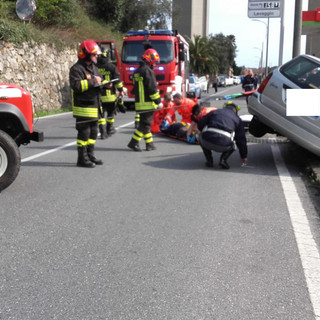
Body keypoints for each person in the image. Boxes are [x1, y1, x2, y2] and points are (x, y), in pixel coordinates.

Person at [69, 39, 103, 168]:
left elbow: (99, 80)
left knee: (94, 133)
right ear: (86, 54)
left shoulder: (94, 68)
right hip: (83, 108)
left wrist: (105, 84)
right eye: (94, 54)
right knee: (84, 134)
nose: (96, 57)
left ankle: (90, 155)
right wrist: (93, 82)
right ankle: (81, 159)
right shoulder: (76, 69)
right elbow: (76, 85)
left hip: (95, 107)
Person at [197, 101, 248, 169]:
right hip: (224, 145)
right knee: (234, 143)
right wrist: (243, 156)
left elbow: (200, 125)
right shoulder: (237, 119)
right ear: (235, 110)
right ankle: (223, 160)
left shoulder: (215, 112)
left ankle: (209, 160)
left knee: (200, 136)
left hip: (206, 141)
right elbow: (241, 140)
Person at [127, 48, 161, 151]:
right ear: (150, 59)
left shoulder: (137, 71)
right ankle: (133, 142)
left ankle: (149, 144)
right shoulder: (148, 71)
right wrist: (158, 101)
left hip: (139, 103)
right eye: (154, 62)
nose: (154, 64)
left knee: (145, 124)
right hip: (147, 103)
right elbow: (151, 88)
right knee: (145, 125)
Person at [96, 45, 124, 139]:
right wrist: (121, 91)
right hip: (111, 97)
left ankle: (103, 133)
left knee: (101, 115)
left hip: (99, 96)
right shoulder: (111, 67)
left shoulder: (94, 67)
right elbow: (117, 81)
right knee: (111, 114)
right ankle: (109, 129)